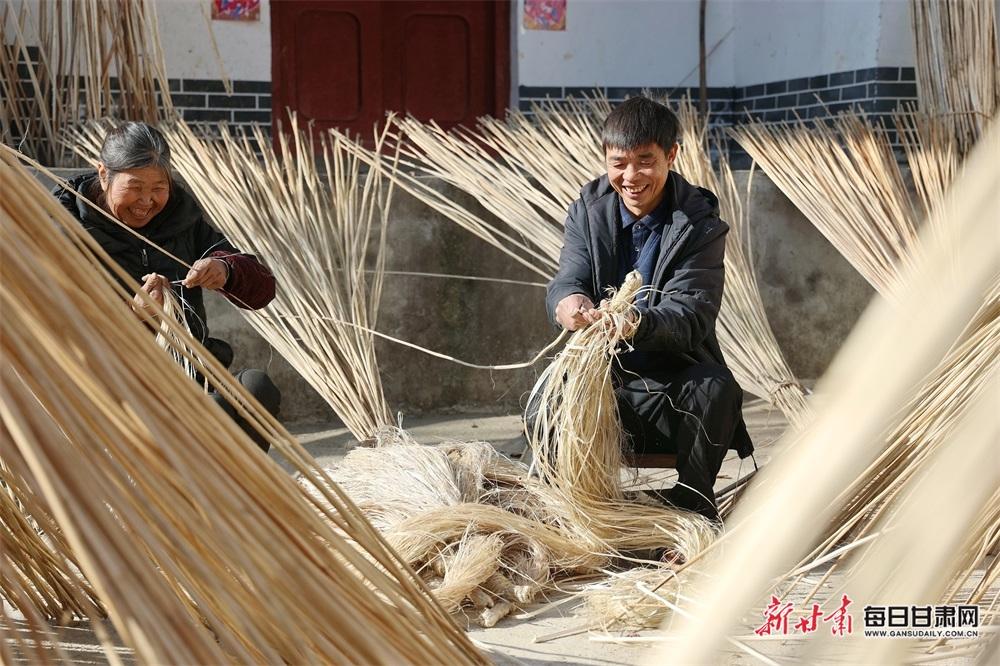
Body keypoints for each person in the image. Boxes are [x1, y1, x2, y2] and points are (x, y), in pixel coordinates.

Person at [545, 96, 753, 522]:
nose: (631, 176)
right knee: (545, 404)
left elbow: (691, 316)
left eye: (645, 161)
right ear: (606, 159)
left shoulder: (699, 224)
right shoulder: (588, 211)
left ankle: (694, 507)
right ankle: (567, 513)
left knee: (716, 389)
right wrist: (567, 303)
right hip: (607, 385)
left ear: (671, 156)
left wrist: (633, 322)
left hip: (671, 392)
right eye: (619, 163)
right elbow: (570, 278)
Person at [56, 122, 281, 452]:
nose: (146, 201)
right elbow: (49, 319)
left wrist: (226, 270)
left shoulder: (180, 219)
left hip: (187, 379)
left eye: (158, 187)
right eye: (134, 187)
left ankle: (221, 498)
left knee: (255, 391)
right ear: (103, 174)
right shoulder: (63, 225)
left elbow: (262, 289)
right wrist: (133, 316)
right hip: (105, 390)